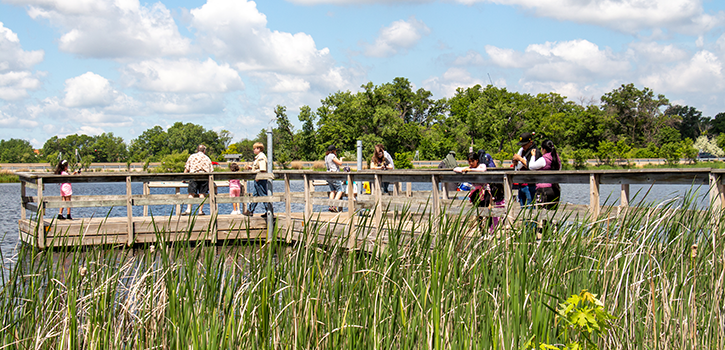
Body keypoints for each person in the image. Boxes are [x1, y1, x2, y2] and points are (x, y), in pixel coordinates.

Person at [454, 152, 504, 233]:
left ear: (477, 160)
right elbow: (455, 169)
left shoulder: (482, 165)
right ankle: (482, 230)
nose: (471, 163)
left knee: (488, 209)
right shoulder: (470, 167)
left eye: (472, 161)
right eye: (469, 161)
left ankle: (489, 228)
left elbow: (482, 170)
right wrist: (463, 169)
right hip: (476, 192)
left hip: (485, 191)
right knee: (478, 211)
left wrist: (470, 170)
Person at [528, 140, 562, 210]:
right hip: (555, 189)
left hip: (543, 190)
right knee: (552, 214)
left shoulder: (544, 159)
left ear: (544, 149)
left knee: (541, 214)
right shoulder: (557, 159)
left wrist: (533, 156)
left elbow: (531, 166)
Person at [183, 145, 214, 215]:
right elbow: (211, 171)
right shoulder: (207, 158)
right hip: (204, 177)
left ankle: (188, 209)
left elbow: (187, 168)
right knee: (202, 194)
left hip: (193, 176)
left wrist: (183, 178)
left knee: (191, 193)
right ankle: (200, 211)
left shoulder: (192, 157)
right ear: (204, 151)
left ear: (197, 150)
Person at [511, 132, 538, 208]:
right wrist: (515, 162)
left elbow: (531, 166)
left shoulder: (534, 152)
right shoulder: (522, 151)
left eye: (524, 144)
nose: (523, 146)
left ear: (531, 142)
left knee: (530, 208)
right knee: (523, 208)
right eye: (522, 145)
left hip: (530, 184)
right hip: (521, 184)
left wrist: (520, 159)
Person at [245, 142, 269, 217]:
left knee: (263, 196)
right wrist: (251, 167)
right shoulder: (258, 157)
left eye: (254, 149)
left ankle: (269, 211)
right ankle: (250, 210)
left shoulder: (261, 157)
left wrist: (258, 177)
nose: (253, 150)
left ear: (259, 149)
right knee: (255, 195)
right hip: (258, 179)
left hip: (260, 179)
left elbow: (263, 169)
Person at [325, 145, 345, 212]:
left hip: (328, 174)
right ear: (333, 150)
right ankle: (334, 205)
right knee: (340, 190)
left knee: (332, 190)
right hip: (334, 174)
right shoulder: (331, 156)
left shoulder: (326, 156)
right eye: (335, 150)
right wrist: (341, 159)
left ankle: (330, 206)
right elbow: (340, 163)